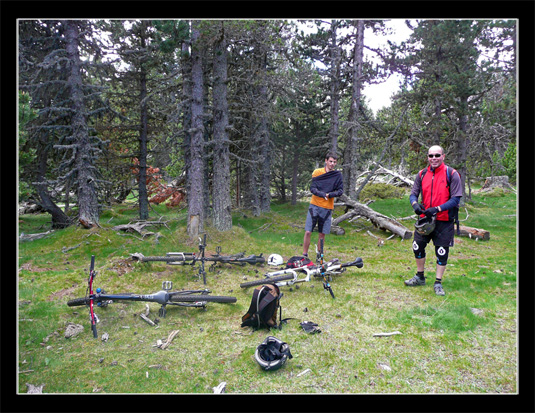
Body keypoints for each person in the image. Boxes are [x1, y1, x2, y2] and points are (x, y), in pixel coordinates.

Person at [405, 145, 462, 296]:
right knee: (417, 246)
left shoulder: (452, 174)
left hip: (444, 219)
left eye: (437, 155)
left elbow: (456, 199)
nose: (434, 158)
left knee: (441, 251)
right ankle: (420, 276)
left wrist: (437, 209)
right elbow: (413, 194)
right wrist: (415, 204)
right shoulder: (422, 174)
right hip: (425, 219)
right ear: (428, 157)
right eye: (431, 156)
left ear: (443, 156)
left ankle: (438, 282)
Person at [303, 153, 343, 258]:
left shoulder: (337, 175)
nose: (332, 164)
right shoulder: (317, 172)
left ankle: (319, 255)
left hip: (327, 207)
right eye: (330, 161)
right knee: (308, 231)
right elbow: (313, 188)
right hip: (314, 206)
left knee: (322, 234)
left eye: (334, 162)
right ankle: (305, 255)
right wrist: (322, 194)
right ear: (326, 161)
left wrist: (330, 195)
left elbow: (340, 191)